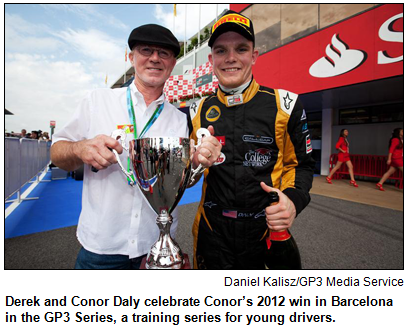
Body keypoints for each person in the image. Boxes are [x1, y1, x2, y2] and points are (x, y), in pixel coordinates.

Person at [50, 24, 221, 269]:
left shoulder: (180, 119)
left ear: (172, 64)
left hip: (157, 247)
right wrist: (79, 149)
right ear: (131, 57)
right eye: (146, 50)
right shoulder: (97, 101)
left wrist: (195, 165)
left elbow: (184, 182)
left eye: (164, 54)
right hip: (102, 251)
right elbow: (56, 153)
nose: (154, 58)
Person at [189, 10, 315, 269]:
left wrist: (292, 201)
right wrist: (194, 162)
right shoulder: (196, 110)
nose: (231, 58)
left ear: (254, 55)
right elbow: (186, 170)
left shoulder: (285, 104)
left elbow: (301, 165)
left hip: (264, 230)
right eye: (221, 51)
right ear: (211, 59)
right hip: (212, 230)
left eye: (241, 49)